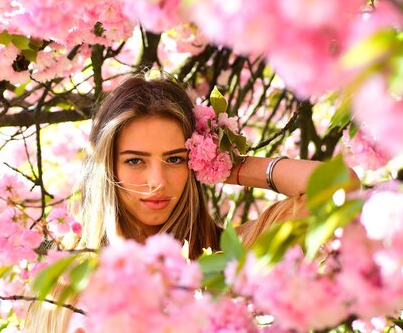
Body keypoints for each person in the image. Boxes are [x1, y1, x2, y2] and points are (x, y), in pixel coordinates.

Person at [25, 75, 360, 333]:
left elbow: (339, 188)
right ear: (107, 166)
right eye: (135, 161)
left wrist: (227, 164)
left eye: (174, 159)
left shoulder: (233, 258)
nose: (157, 180)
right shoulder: (67, 282)